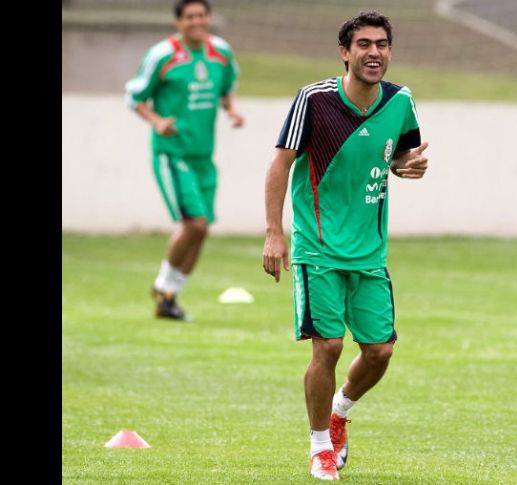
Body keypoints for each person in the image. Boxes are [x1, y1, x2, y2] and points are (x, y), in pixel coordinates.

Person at [262, 11, 428, 480]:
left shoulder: (401, 101)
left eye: (382, 44)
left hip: (370, 251)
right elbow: (279, 166)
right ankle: (319, 448)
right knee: (329, 347)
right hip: (318, 248)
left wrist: (406, 167)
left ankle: (339, 413)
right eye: (364, 44)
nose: (374, 52)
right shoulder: (314, 100)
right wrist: (275, 232)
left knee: (380, 352)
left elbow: (400, 155)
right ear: (345, 52)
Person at [125, 0, 244, 321]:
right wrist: (157, 121)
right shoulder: (162, 55)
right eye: (190, 17)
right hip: (172, 153)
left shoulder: (221, 52)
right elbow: (134, 96)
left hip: (204, 155)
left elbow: (226, 88)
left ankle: (168, 298)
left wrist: (230, 109)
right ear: (178, 22)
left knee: (201, 230)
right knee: (195, 223)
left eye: (201, 15)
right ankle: (163, 285)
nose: (197, 21)